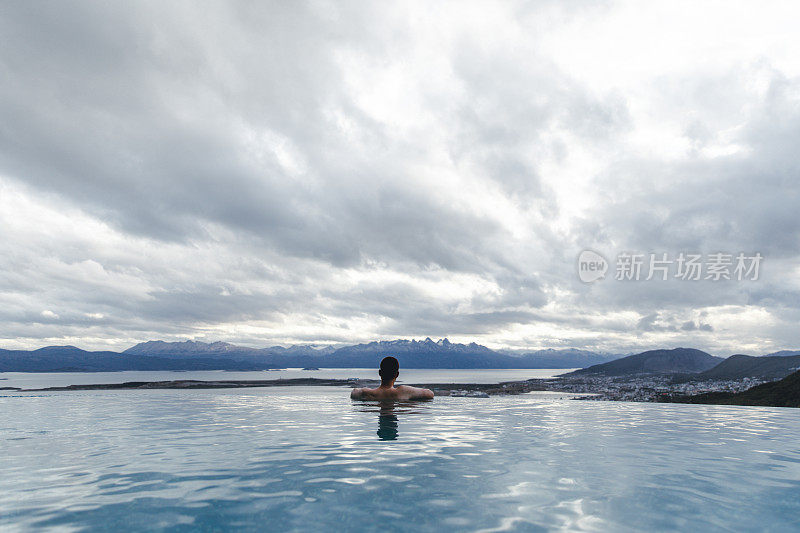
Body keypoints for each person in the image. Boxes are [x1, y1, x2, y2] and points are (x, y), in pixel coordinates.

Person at [350, 356, 434, 401]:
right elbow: (430, 393)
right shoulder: (403, 392)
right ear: (397, 375)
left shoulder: (366, 393)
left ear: (380, 373)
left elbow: (354, 392)